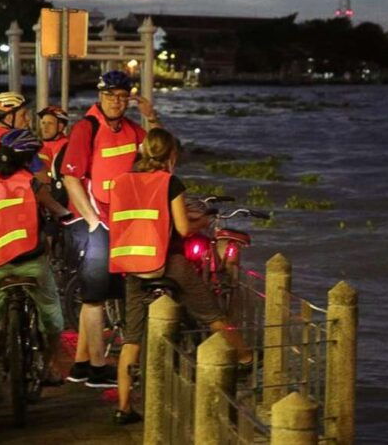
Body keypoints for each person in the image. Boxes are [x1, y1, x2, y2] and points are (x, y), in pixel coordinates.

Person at [109, 128, 252, 424]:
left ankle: (123, 407)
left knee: (131, 338)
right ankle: (245, 358)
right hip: (166, 261)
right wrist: (200, 223)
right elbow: (184, 229)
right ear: (171, 155)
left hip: (132, 265)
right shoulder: (169, 182)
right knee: (211, 312)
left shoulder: (121, 182)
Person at [60, 70, 161, 388]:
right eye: (110, 95)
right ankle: (99, 368)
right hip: (96, 224)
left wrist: (152, 119)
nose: (116, 101)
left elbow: (160, 160)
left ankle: (79, 365)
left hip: (122, 222)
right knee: (95, 298)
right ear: (99, 97)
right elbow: (71, 178)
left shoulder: (133, 130)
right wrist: (92, 221)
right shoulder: (86, 128)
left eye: (122, 96)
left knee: (96, 295)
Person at [0, 129, 67, 421]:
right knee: (51, 314)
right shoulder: (32, 183)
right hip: (30, 263)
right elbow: (58, 210)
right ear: (29, 159)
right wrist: (66, 217)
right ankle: (52, 366)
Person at [36, 105, 70, 208]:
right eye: (43, 123)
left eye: (50, 123)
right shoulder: (37, 145)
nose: (45, 127)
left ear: (60, 127)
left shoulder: (67, 147)